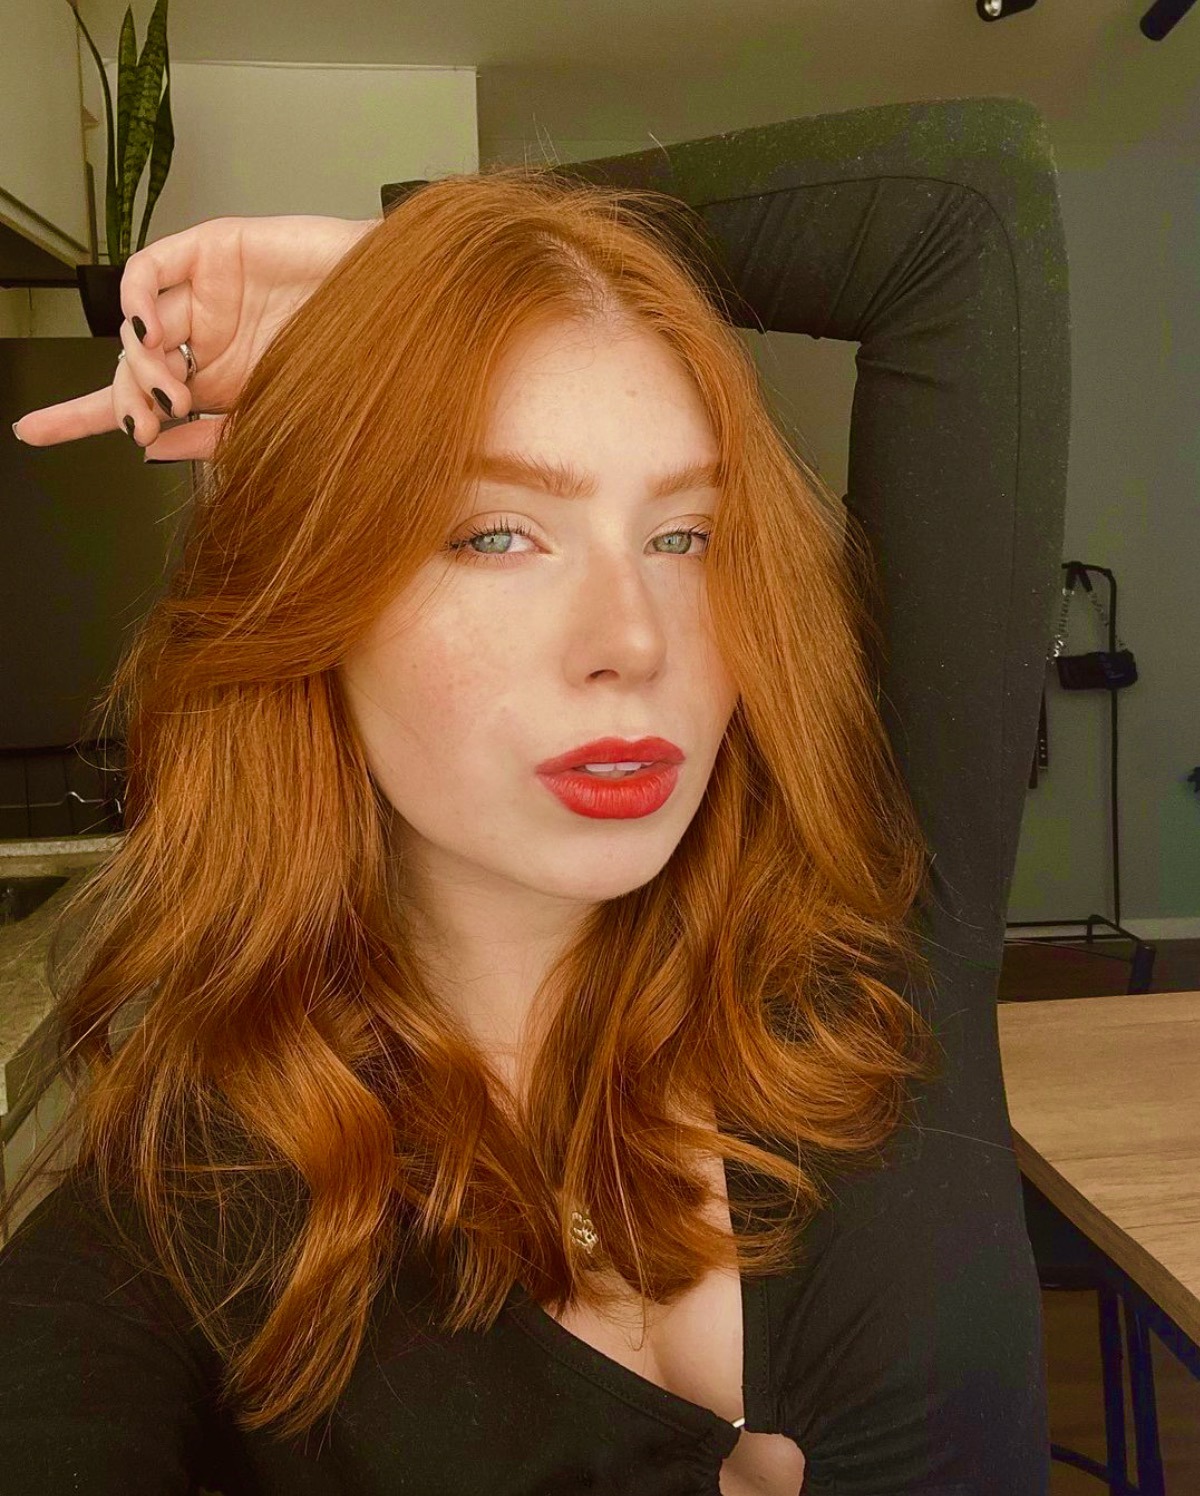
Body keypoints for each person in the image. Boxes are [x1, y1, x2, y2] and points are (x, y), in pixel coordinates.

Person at [0, 94, 1071, 1496]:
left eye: (685, 535)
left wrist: (413, 261)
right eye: (498, 533)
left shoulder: (878, 924)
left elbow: (966, 205)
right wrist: (432, 285)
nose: (633, 637)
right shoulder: (188, 1216)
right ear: (313, 604)